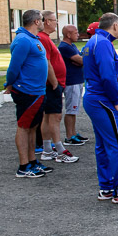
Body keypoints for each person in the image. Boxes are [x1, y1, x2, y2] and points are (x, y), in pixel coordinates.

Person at [82, 13, 118, 205]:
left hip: (96, 99)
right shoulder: (103, 43)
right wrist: (115, 100)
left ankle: (106, 187)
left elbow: (99, 70)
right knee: (117, 144)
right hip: (104, 100)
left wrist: (117, 64)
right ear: (114, 26)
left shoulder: (95, 41)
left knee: (104, 145)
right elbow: (105, 77)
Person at [5, 9, 50, 178]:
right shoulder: (23, 40)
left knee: (32, 127)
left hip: (36, 91)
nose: (43, 22)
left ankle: (32, 161)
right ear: (36, 22)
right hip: (27, 91)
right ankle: (23, 166)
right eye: (42, 20)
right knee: (24, 128)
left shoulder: (32, 39)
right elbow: (14, 67)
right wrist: (9, 84)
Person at [38, 10, 78, 164]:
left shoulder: (45, 38)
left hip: (53, 84)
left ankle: (48, 149)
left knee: (49, 117)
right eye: (54, 20)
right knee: (54, 117)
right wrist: (54, 82)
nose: (56, 23)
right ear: (47, 21)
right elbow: (46, 62)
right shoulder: (43, 38)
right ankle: (60, 150)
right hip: (52, 85)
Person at [58, 24, 89, 147]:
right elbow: (82, 60)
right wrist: (81, 61)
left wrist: (80, 61)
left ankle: (73, 133)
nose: (78, 34)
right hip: (71, 82)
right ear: (68, 34)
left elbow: (80, 60)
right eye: (75, 33)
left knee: (74, 109)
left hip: (77, 80)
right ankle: (69, 136)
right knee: (71, 109)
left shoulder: (72, 46)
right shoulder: (65, 47)